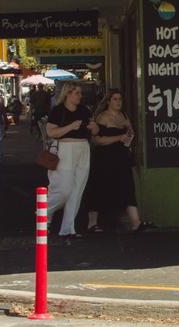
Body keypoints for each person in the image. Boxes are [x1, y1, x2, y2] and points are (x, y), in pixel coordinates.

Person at [83, 89, 154, 233]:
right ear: (108, 101)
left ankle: (136, 222)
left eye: (120, 99)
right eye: (115, 99)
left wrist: (128, 127)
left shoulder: (123, 115)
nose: (118, 102)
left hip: (121, 157)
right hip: (104, 158)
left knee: (127, 187)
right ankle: (92, 223)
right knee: (99, 188)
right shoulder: (103, 117)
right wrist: (118, 138)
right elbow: (97, 140)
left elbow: (131, 134)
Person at [44, 81, 97, 240]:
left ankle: (68, 228)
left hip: (83, 148)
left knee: (77, 188)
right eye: (77, 93)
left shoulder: (84, 111)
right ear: (68, 94)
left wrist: (93, 127)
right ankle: (44, 213)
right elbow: (51, 132)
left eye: (80, 93)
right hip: (65, 149)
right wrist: (71, 127)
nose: (80, 96)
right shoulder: (57, 111)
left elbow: (95, 131)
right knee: (64, 187)